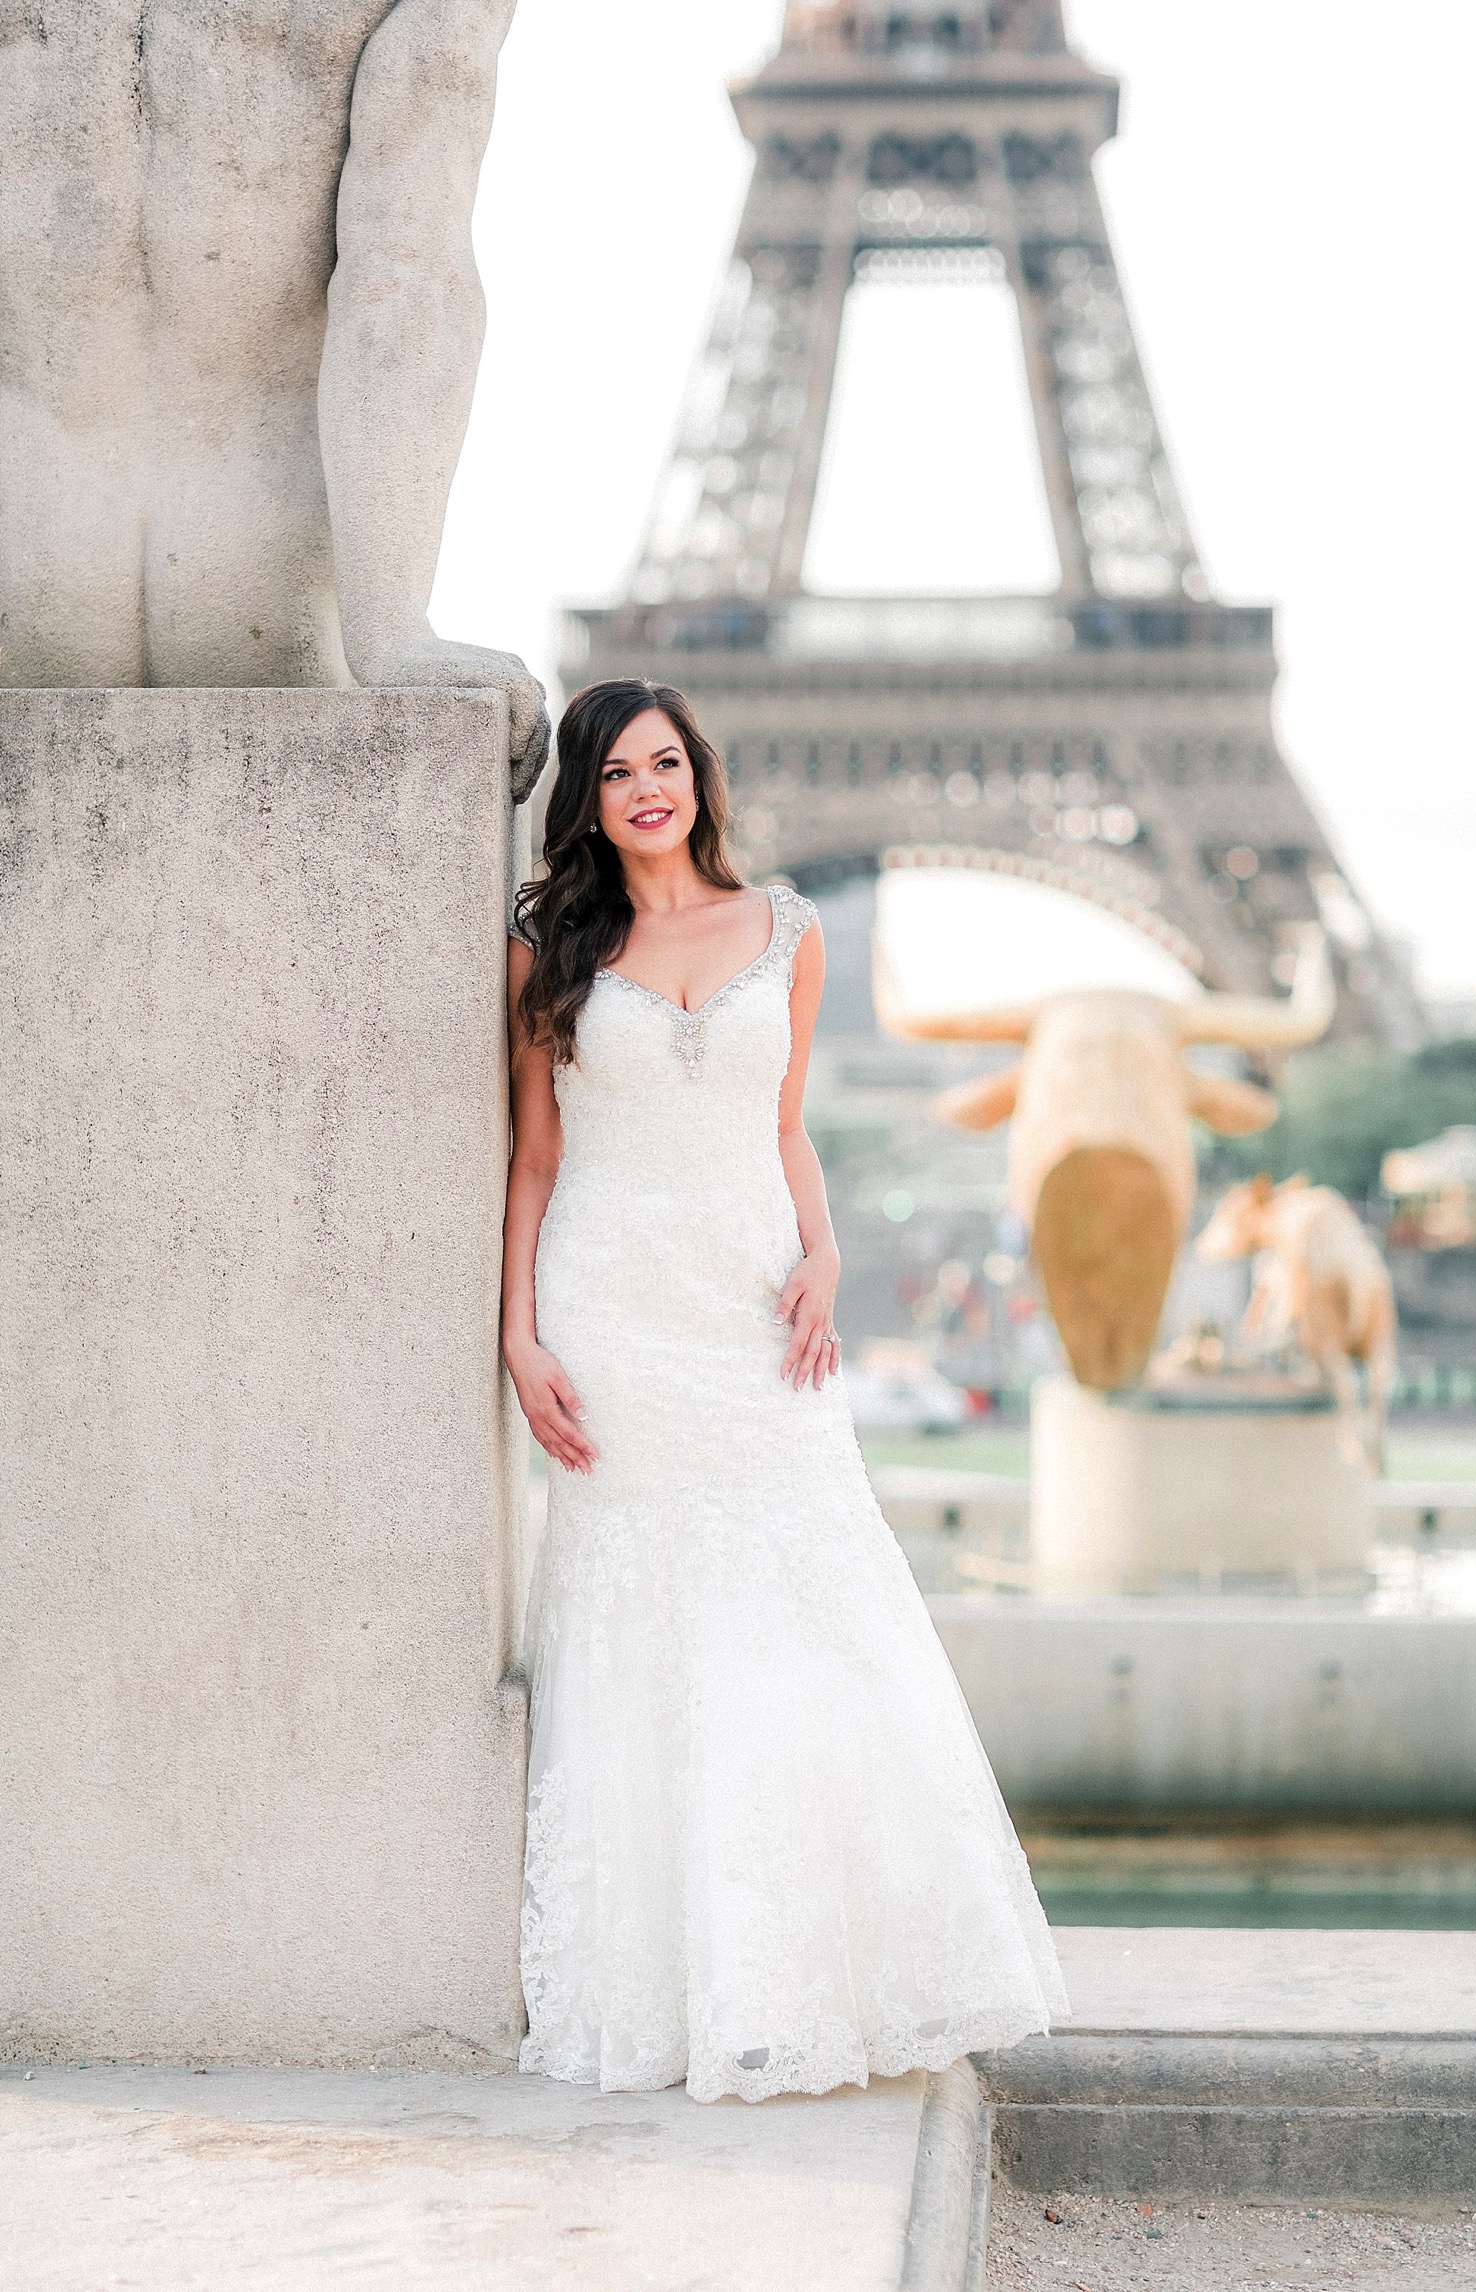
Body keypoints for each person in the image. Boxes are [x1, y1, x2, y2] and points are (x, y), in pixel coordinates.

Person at [502, 678, 1067, 2102]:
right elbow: (534, 1160)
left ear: (702, 779)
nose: (648, 789)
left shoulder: (793, 932)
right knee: (652, 1625)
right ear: (589, 795)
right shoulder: (548, 950)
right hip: (615, 1310)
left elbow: (788, 1123)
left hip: (757, 1304)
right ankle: (683, 1982)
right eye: (619, 769)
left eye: (668, 763)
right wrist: (519, 1333)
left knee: (811, 1598)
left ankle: (823, 1964)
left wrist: (828, 1250)